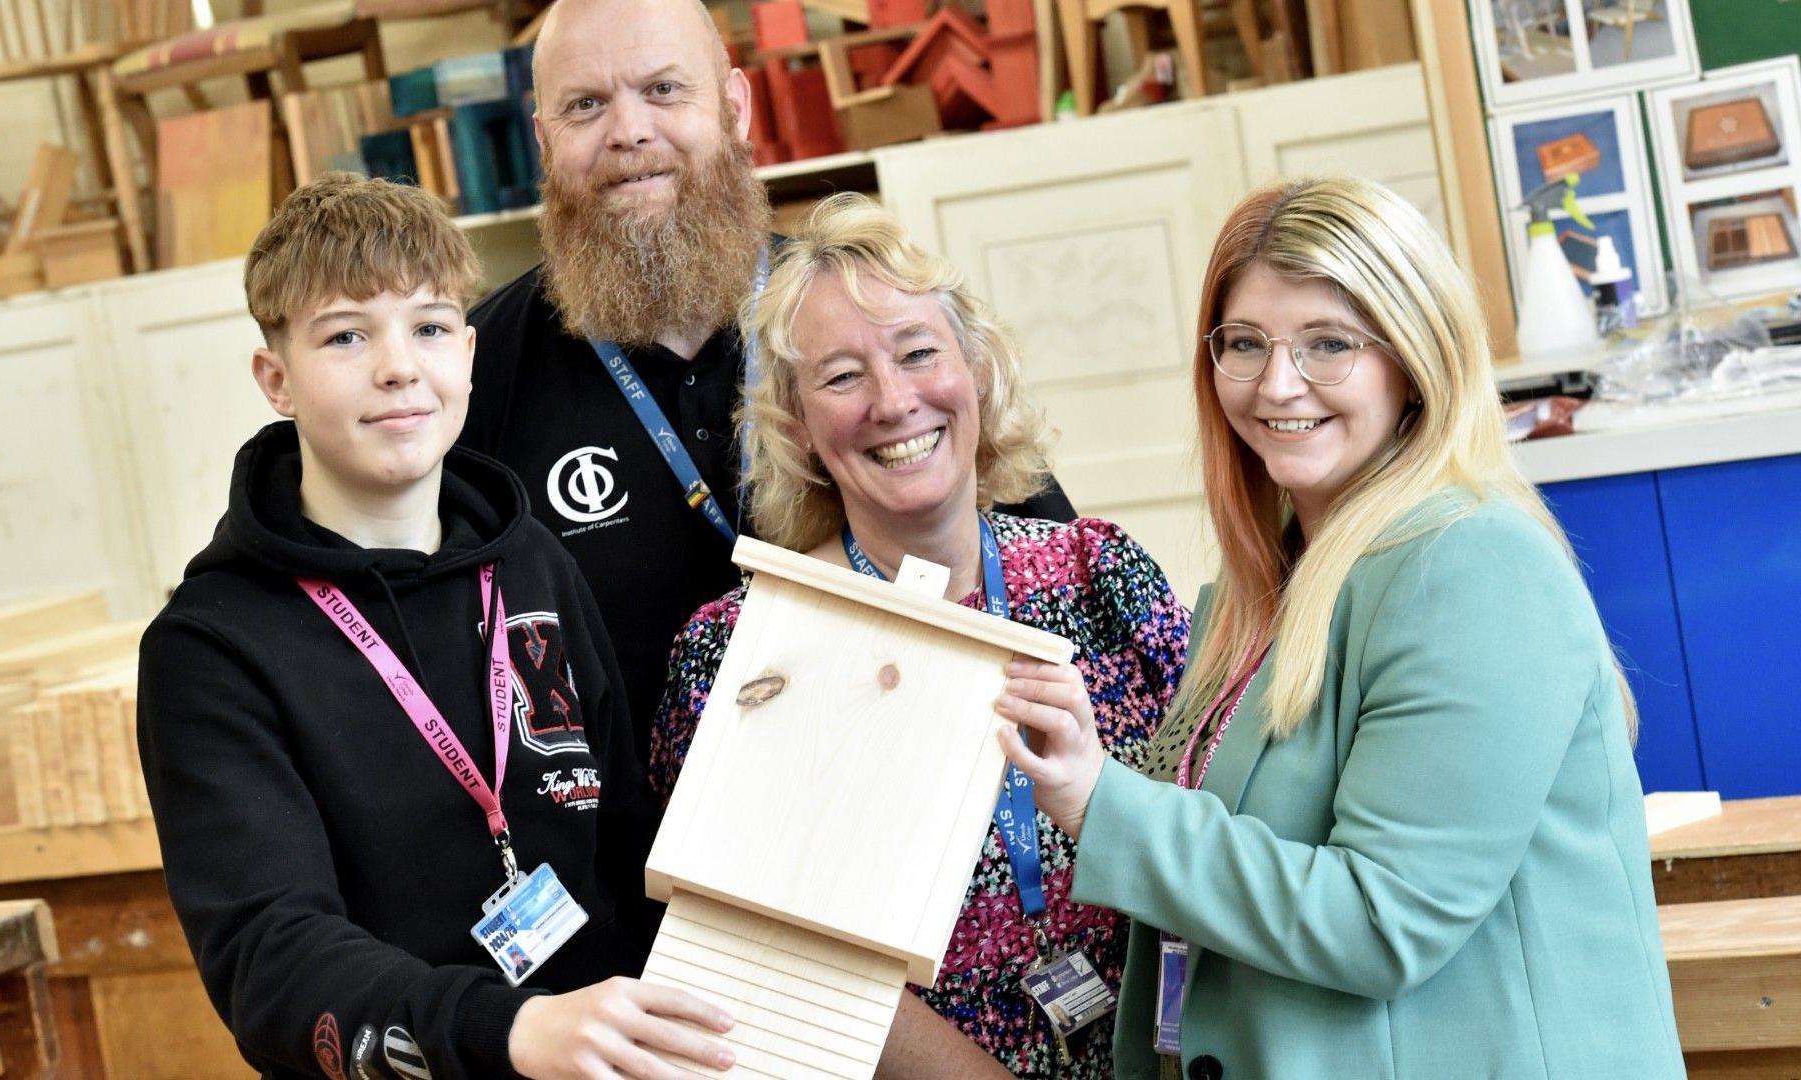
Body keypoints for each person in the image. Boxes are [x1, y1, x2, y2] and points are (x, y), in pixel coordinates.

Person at [996, 177, 1685, 1079]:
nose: (1278, 384)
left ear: (1414, 360)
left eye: (1328, 344)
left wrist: (1101, 803)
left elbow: (1381, 920)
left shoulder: (1473, 566)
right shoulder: (1263, 587)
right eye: (1244, 344)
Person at [137, 174, 737, 1080]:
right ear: (276, 380)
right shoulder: (211, 649)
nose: (398, 367)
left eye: (426, 327)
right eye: (346, 335)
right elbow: (274, 959)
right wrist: (508, 1031)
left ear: (466, 353)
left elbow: (629, 847)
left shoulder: (534, 563)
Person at [649, 193, 1191, 1079]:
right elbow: (756, 961)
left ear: (977, 371)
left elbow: (1209, 825)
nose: (895, 401)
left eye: (917, 352)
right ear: (797, 425)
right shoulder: (745, 654)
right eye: (842, 376)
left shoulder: (1102, 575)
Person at [459, 0, 1073, 758]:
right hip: (623, 866)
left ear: (735, 108)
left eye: (662, 90)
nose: (628, 132)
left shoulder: (867, 315)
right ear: (544, 141)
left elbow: (1044, 559)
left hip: (921, 812)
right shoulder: (471, 374)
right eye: (586, 105)